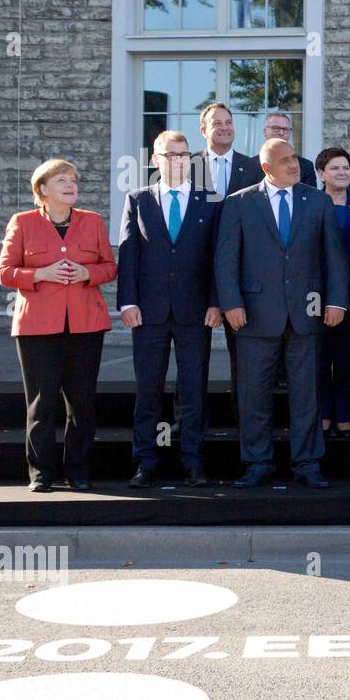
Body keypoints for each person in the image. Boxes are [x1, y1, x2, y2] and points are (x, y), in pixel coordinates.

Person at [214, 138, 349, 488]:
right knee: (254, 395)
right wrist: (230, 303)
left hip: (307, 314)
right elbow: (226, 259)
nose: (294, 165)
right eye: (285, 160)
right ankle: (258, 462)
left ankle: (307, 463)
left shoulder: (317, 201)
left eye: (294, 158)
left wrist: (336, 301)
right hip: (254, 316)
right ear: (266, 167)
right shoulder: (239, 203)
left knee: (307, 395)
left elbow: (333, 257)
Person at [0, 159, 116, 492]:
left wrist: (87, 273)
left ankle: (78, 471)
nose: (70, 185)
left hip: (86, 324)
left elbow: (109, 266)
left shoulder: (92, 222)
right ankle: (41, 473)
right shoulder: (22, 223)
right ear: (43, 189)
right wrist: (39, 274)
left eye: (74, 180)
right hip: (37, 326)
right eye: (62, 179)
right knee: (41, 401)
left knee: (82, 402)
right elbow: (4, 272)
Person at [118, 131, 222, 489]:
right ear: (154, 159)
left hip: (196, 313)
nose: (177, 160)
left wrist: (216, 301)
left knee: (194, 390)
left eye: (183, 154)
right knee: (148, 390)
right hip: (149, 313)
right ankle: (146, 461)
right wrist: (127, 301)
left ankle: (193, 462)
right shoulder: (138, 199)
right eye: (170, 154)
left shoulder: (210, 200)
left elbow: (217, 258)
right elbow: (129, 253)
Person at [195, 101, 262, 420]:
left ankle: (242, 418)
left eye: (228, 122)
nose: (224, 127)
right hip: (196, 272)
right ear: (203, 130)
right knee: (193, 355)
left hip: (242, 272)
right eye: (217, 123)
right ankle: (191, 420)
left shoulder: (251, 168)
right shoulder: (190, 166)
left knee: (244, 354)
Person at [315, 147, 350, 439]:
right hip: (318, 294)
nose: (342, 173)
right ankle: (323, 414)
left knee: (348, 356)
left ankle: (344, 415)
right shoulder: (310, 202)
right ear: (321, 173)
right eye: (335, 168)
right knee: (321, 357)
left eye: (345, 168)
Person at [263, 112, 317, 188]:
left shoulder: (305, 166)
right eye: (275, 128)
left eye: (285, 129)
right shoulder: (252, 165)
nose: (281, 133)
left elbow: (311, 197)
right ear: (265, 131)